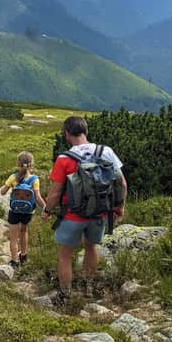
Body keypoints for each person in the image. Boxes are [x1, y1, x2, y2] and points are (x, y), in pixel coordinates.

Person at [42, 116, 127, 305]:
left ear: (66, 134)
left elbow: (55, 191)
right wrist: (119, 206)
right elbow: (121, 182)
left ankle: (65, 294)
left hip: (73, 215)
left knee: (65, 254)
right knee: (91, 247)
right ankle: (88, 286)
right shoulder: (106, 151)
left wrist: (47, 209)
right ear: (85, 131)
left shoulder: (64, 158)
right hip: (100, 213)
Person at [0, 151, 46, 268]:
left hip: (14, 211)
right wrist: (46, 209)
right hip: (28, 212)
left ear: (18, 163)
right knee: (24, 232)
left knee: (13, 238)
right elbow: (38, 197)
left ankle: (14, 261)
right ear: (32, 164)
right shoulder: (34, 179)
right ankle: (24, 256)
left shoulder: (13, 177)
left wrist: (10, 186)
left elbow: (2, 192)